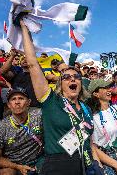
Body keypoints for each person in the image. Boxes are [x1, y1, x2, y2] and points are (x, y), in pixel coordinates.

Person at [19, 20, 102, 174]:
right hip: (58, 166)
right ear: (59, 84)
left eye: (76, 76)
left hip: (86, 164)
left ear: (81, 82)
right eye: (66, 77)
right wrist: (25, 29)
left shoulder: (86, 109)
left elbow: (89, 142)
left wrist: (97, 165)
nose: (72, 79)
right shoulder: (51, 101)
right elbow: (32, 64)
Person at [0, 88, 42, 175]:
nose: (17, 102)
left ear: (29, 102)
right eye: (13, 99)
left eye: (21, 98)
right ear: (9, 105)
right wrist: (18, 167)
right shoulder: (0, 127)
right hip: (13, 165)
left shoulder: (39, 115)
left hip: (39, 161)